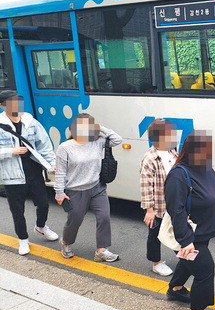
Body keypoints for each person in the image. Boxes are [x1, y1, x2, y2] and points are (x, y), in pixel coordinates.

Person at [165, 130, 215, 310]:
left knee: (189, 263)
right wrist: (186, 240)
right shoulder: (178, 175)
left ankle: (175, 289)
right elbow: (176, 210)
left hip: (203, 232)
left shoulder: (204, 168)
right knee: (205, 271)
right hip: (190, 237)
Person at [54, 114, 123, 262]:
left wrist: (100, 127)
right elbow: (60, 172)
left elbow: (118, 139)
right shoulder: (65, 147)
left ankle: (101, 250)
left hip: (97, 187)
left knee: (104, 217)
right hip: (75, 190)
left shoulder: (97, 141)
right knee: (75, 219)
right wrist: (59, 192)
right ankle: (66, 242)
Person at [0, 90, 58, 256]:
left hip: (33, 170)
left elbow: (44, 144)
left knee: (43, 203)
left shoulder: (30, 122)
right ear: (2, 105)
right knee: (17, 210)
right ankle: (23, 239)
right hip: (12, 174)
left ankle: (41, 226)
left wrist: (51, 163)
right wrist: (11, 151)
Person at [140, 119, 178, 277]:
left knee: (179, 228)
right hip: (159, 204)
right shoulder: (150, 158)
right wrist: (149, 210)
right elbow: (146, 186)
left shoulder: (171, 151)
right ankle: (156, 262)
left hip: (174, 201)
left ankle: (183, 253)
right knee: (155, 234)